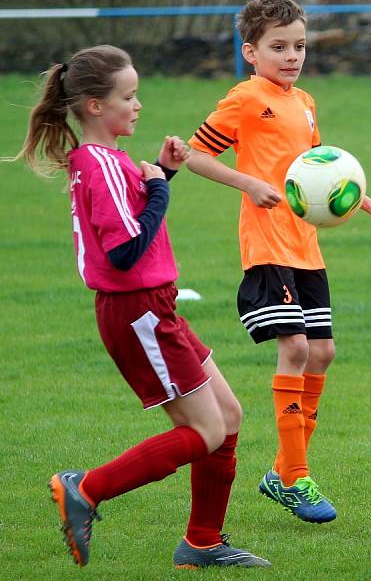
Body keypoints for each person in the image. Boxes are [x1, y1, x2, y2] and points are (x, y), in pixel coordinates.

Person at [15, 45, 269, 569]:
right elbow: (126, 251)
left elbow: (133, 219)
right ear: (92, 107)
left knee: (228, 416)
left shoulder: (110, 161)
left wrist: (163, 175)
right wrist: (160, 195)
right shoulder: (98, 162)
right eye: (127, 97)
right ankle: (86, 487)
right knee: (205, 432)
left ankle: (203, 543)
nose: (137, 106)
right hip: (138, 312)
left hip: (153, 306)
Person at [186, 0, 371, 524]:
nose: (291, 56)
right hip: (265, 246)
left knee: (322, 353)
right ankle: (297, 477)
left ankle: (282, 472)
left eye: (299, 46)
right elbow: (193, 155)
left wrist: (367, 203)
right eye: (278, 47)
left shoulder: (304, 102)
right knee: (297, 347)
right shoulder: (242, 98)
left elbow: (322, 169)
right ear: (251, 52)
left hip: (305, 246)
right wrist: (249, 183)